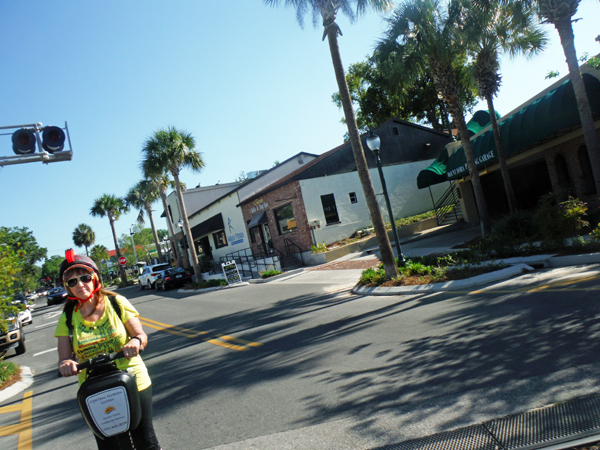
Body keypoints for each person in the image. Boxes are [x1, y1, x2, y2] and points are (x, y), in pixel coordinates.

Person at [54, 249, 161, 450]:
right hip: (94, 388)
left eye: (84, 277)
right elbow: (63, 358)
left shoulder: (116, 302)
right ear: (67, 287)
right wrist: (66, 364)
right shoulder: (67, 317)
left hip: (132, 378)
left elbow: (141, 335)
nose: (80, 284)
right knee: (110, 446)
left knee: (144, 440)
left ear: (94, 277)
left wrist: (135, 343)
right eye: (72, 281)